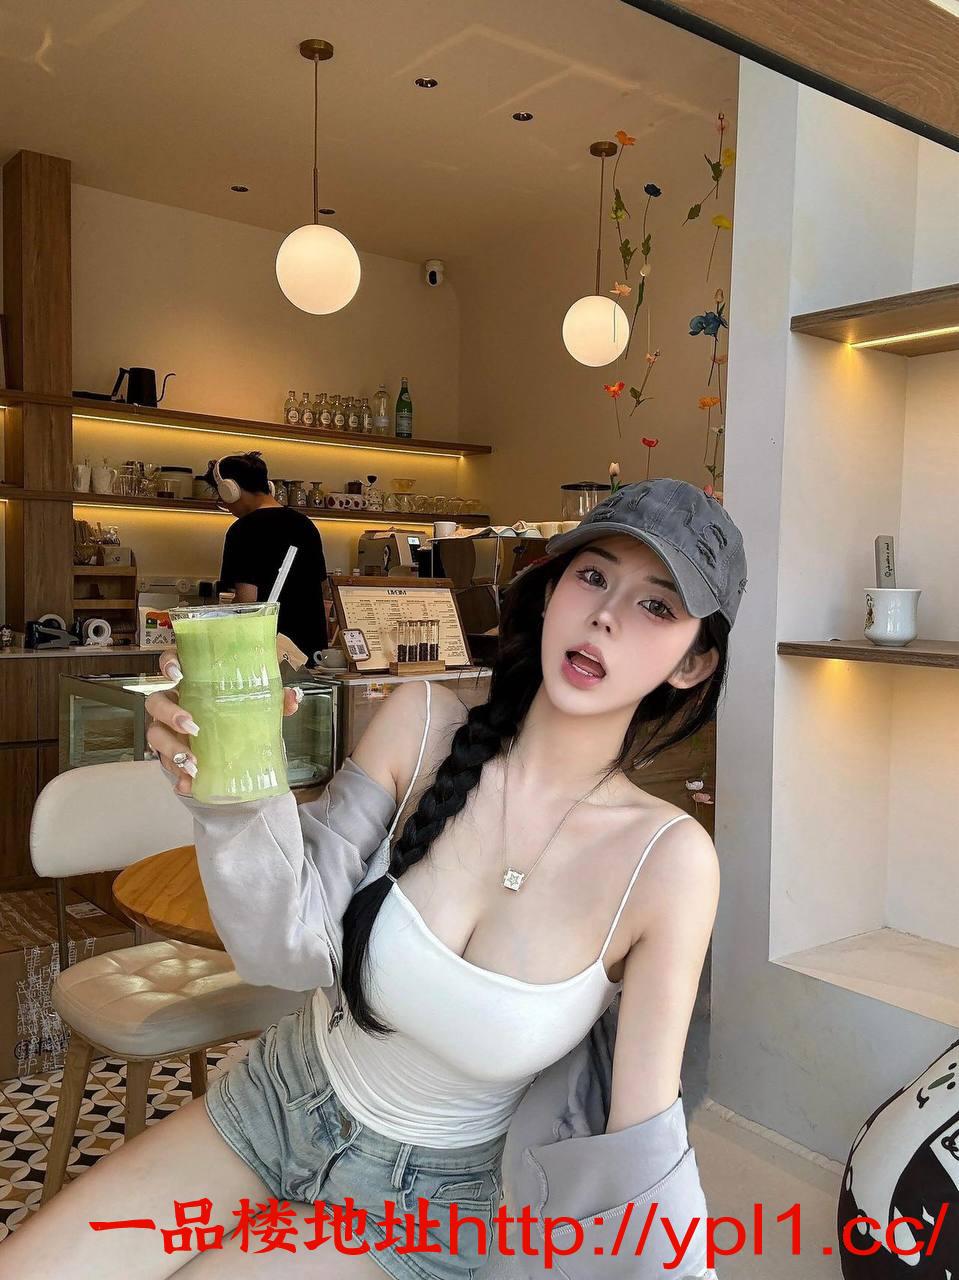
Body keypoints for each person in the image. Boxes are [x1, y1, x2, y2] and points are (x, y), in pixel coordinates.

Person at [6, 477, 746, 1279]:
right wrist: (229, 792)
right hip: (277, 1099)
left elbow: (640, 1149)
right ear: (551, 592)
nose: (605, 615)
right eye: (593, 576)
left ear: (692, 663)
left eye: (655, 606)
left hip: (421, 1209)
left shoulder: (668, 862)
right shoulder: (420, 725)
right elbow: (285, 951)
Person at [205, 451, 329, 661]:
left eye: (221, 497)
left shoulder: (243, 530)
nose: (226, 505)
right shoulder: (305, 524)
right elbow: (322, 589)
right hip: (311, 652)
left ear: (230, 490)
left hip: (269, 654)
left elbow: (248, 603)